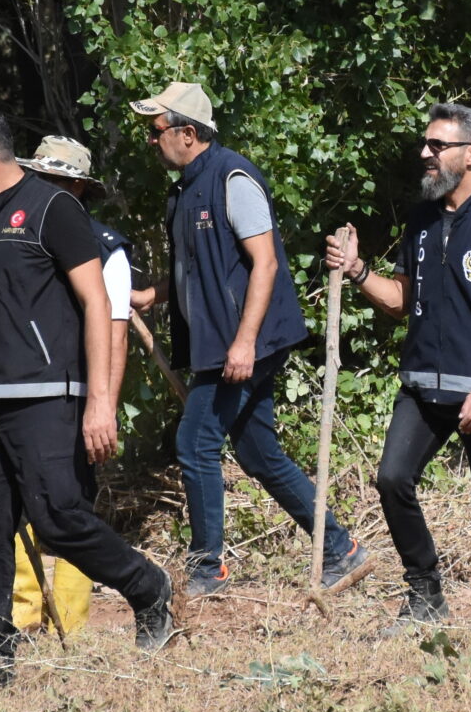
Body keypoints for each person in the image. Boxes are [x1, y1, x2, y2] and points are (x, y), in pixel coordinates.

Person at [0, 107, 178, 674]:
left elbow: (98, 304)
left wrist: (100, 401)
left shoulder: (55, 210)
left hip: (50, 395)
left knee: (59, 519)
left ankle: (148, 586)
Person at [137, 81, 373, 596]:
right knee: (259, 453)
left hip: (247, 344)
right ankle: (341, 549)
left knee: (195, 443)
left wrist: (242, 345)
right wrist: (149, 296)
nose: (149, 141)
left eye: (155, 131)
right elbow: (196, 271)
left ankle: (207, 570)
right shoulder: (182, 192)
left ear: (189, 132)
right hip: (220, 344)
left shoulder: (232, 177)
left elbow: (264, 263)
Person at [323, 103, 471, 628]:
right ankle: (425, 595)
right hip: (421, 387)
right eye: (426, 144)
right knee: (392, 479)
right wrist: (356, 271)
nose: (425, 153)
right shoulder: (420, 219)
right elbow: (400, 300)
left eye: (437, 145)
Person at [6, 133, 142, 633]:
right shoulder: (16, 237)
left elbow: (116, 335)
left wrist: (101, 408)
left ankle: (71, 623)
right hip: (25, 393)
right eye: (39, 177)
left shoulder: (107, 251)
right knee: (20, 504)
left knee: (71, 508)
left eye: (55, 180)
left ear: (78, 189)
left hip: (78, 397)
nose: (42, 188)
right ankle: (22, 618)